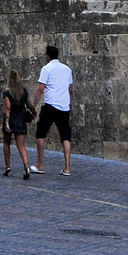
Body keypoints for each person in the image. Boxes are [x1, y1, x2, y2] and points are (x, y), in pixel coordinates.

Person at [31, 44, 74, 177]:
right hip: (64, 106)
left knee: (41, 133)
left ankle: (40, 164)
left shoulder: (46, 68)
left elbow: (40, 89)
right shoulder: (67, 69)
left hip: (50, 105)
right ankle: (67, 168)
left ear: (47, 56)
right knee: (65, 136)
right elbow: (70, 89)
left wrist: (33, 106)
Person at [2, 69, 35, 179]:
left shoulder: (7, 93)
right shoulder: (24, 92)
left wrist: (7, 122)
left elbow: (8, 108)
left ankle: (8, 166)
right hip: (20, 119)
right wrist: (34, 113)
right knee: (21, 145)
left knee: (6, 142)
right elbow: (29, 105)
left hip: (11, 119)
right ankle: (26, 165)